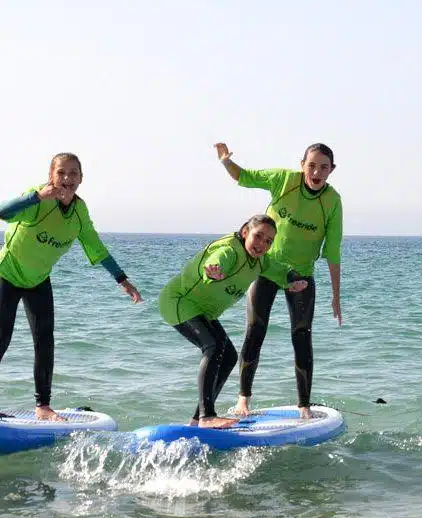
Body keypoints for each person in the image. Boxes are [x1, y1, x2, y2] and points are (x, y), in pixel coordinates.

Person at [0, 153, 142, 420]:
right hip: (6, 274)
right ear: (51, 176)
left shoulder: (79, 211)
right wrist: (37, 197)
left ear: (81, 178)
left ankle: (43, 407)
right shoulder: (37, 198)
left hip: (38, 279)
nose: (67, 179)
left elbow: (95, 247)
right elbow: (3, 212)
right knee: (1, 339)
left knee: (45, 341)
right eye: (61, 173)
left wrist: (122, 280)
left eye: (73, 173)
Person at [214, 142, 342, 420]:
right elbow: (245, 177)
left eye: (323, 167)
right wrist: (226, 162)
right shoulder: (284, 180)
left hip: (302, 276)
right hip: (266, 268)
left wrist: (336, 296)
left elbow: (333, 250)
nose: (316, 172)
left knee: (301, 335)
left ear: (332, 170)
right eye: (312, 165)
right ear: (302, 165)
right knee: (255, 330)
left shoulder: (332, 201)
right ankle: (243, 400)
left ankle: (304, 406)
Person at [159, 215, 308, 428]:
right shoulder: (230, 249)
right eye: (258, 236)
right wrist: (213, 269)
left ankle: (197, 419)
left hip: (203, 311)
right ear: (245, 232)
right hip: (179, 302)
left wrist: (292, 280)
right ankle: (207, 416)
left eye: (269, 241)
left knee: (228, 356)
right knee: (213, 346)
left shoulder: (260, 261)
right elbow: (218, 258)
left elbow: (279, 269)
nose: (262, 244)